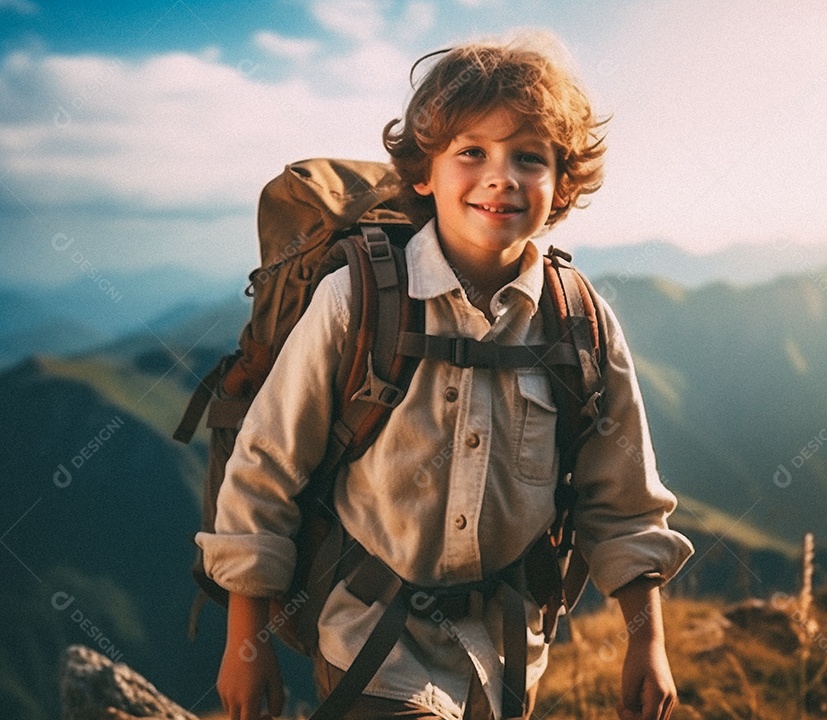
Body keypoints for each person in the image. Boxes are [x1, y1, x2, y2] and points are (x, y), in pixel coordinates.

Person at [197, 33, 694, 720]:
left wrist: (649, 643)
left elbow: (624, 502)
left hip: (507, 656)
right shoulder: (357, 302)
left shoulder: (580, 323)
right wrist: (243, 645)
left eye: (530, 157)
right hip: (369, 639)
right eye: (472, 152)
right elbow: (264, 472)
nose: (502, 176)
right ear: (424, 173)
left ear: (563, 183)